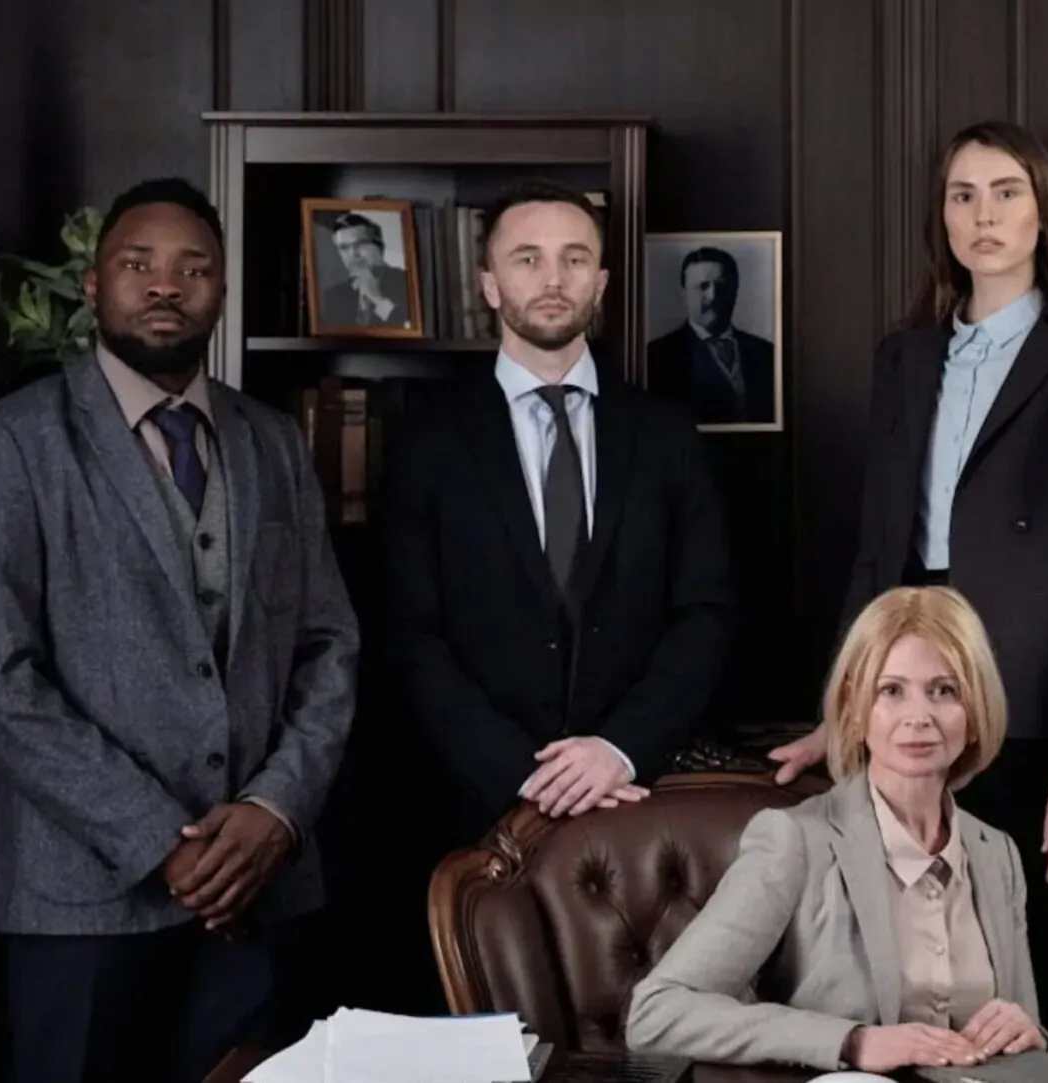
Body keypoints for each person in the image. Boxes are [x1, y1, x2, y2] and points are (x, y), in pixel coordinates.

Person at [766, 120, 1048, 1047]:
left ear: (1041, 209)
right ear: (941, 217)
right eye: (963, 195)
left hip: (1032, 696)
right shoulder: (906, 356)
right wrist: (842, 706)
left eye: (1006, 192)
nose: (984, 215)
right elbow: (875, 552)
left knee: (1034, 960)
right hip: (911, 679)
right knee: (916, 956)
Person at [0, 177, 359, 1083]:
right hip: (81, 906)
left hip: (259, 898)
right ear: (97, 285)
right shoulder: (9, 445)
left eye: (194, 268)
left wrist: (273, 810)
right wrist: (162, 842)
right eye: (138, 263)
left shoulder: (273, 442)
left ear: (221, 292)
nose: (165, 285)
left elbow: (329, 646)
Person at [382, 179, 733, 847]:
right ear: (489, 284)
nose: (552, 278)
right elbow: (409, 634)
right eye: (527, 258)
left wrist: (620, 748)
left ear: (600, 284)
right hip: (475, 809)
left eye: (573, 259)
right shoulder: (425, 441)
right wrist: (527, 775)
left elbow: (705, 612)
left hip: (638, 796)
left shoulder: (666, 435)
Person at [626, 587, 1048, 1073]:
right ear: (854, 709)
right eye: (891, 691)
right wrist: (851, 1042)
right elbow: (657, 1012)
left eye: (944, 691)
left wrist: (1027, 1031)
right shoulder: (794, 841)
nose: (919, 717)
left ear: (975, 714)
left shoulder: (998, 853)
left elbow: (1022, 1038)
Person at [645, 246, 777, 425]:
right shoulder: (657, 357)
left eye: (721, 285)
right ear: (685, 294)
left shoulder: (767, 353)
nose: (713, 296)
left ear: (735, 290)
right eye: (703, 286)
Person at [319, 212, 413, 329]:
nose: (353, 254)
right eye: (344, 247)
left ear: (380, 248)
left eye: (361, 243)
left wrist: (379, 301)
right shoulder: (332, 297)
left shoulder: (408, 283)